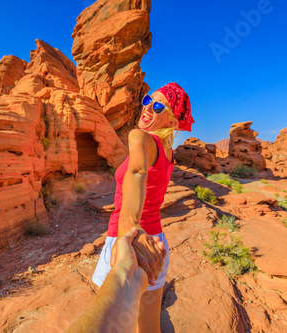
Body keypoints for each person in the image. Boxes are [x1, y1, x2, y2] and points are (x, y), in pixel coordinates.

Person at [91, 83, 194, 332]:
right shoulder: (168, 152)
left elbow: (136, 172)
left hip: (129, 239)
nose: (148, 106)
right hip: (156, 243)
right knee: (147, 326)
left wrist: (128, 232)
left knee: (106, 323)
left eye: (159, 106)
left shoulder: (141, 137)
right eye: (148, 99)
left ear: (171, 118)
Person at [64, 227, 166, 333]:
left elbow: (130, 218)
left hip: (122, 240)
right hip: (153, 243)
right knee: (149, 327)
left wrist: (125, 271)